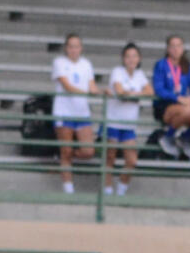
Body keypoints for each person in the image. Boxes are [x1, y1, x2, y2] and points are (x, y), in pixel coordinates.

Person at [151, 34, 190, 162]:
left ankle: (185, 138)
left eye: (179, 46)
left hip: (185, 105)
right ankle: (168, 137)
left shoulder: (187, 66)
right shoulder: (161, 65)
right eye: (173, 46)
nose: (176, 49)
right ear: (168, 49)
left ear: (183, 48)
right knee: (187, 111)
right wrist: (177, 98)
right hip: (166, 105)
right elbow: (159, 89)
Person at [52, 33, 100, 194]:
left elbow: (92, 85)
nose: (74, 49)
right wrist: (87, 92)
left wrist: (98, 92)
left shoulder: (86, 64)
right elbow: (67, 85)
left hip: (82, 112)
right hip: (64, 112)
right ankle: (68, 188)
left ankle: (64, 159)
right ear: (66, 48)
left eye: (76, 46)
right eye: (71, 46)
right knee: (65, 150)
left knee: (88, 151)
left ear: (81, 48)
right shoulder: (59, 62)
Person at [103, 42, 153, 196]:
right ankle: (107, 189)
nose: (131, 60)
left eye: (134, 56)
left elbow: (150, 91)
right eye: (128, 56)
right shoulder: (117, 72)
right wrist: (135, 94)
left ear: (139, 59)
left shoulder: (139, 75)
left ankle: (122, 188)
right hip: (113, 121)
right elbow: (119, 91)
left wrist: (129, 94)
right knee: (110, 157)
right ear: (123, 59)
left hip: (129, 124)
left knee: (132, 161)